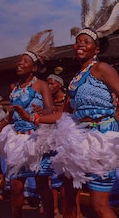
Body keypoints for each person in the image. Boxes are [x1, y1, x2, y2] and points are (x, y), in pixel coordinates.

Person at [33, 0, 119, 218]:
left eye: (85, 42)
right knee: (69, 198)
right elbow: (64, 113)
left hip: (101, 137)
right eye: (78, 41)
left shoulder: (101, 68)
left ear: (96, 48)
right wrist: (37, 117)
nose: (80, 45)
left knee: (99, 205)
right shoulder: (76, 79)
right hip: (78, 138)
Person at [0, 30, 56, 218]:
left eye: (25, 61)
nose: (19, 64)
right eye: (19, 61)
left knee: (43, 185)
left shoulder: (41, 85)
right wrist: (0, 126)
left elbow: (51, 110)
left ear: (33, 68)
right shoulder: (14, 87)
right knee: (16, 186)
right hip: (18, 140)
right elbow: (12, 114)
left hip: (37, 138)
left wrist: (38, 113)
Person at [46, 74, 69, 216]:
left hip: (66, 140)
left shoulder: (68, 99)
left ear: (59, 85)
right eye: (47, 84)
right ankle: (54, 208)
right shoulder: (48, 101)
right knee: (52, 176)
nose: (49, 87)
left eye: (51, 84)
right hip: (50, 140)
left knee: (68, 177)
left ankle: (71, 210)